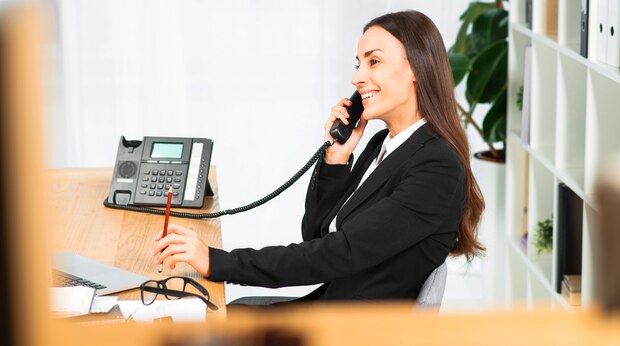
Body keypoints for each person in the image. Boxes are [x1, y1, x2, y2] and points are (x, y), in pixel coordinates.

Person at [152, 10, 485, 304]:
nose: (357, 78)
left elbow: (338, 254)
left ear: (417, 67)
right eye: (358, 64)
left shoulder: (437, 167)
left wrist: (216, 261)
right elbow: (317, 235)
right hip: (330, 305)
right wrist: (336, 159)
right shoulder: (382, 143)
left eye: (374, 62)